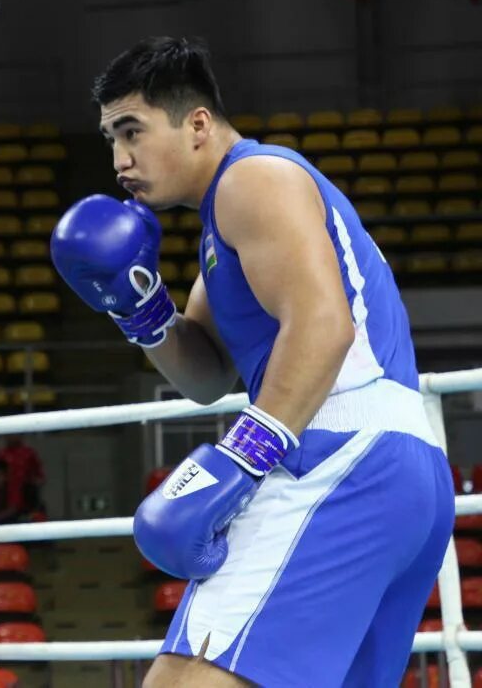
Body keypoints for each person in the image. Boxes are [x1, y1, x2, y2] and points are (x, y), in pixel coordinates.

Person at [50, 37, 452, 688]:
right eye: (109, 138)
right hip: (398, 467)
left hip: (341, 454)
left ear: (198, 124)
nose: (120, 159)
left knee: (184, 682)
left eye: (133, 131)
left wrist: (241, 457)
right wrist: (140, 307)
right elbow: (208, 376)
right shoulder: (226, 218)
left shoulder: (251, 180)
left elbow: (325, 328)